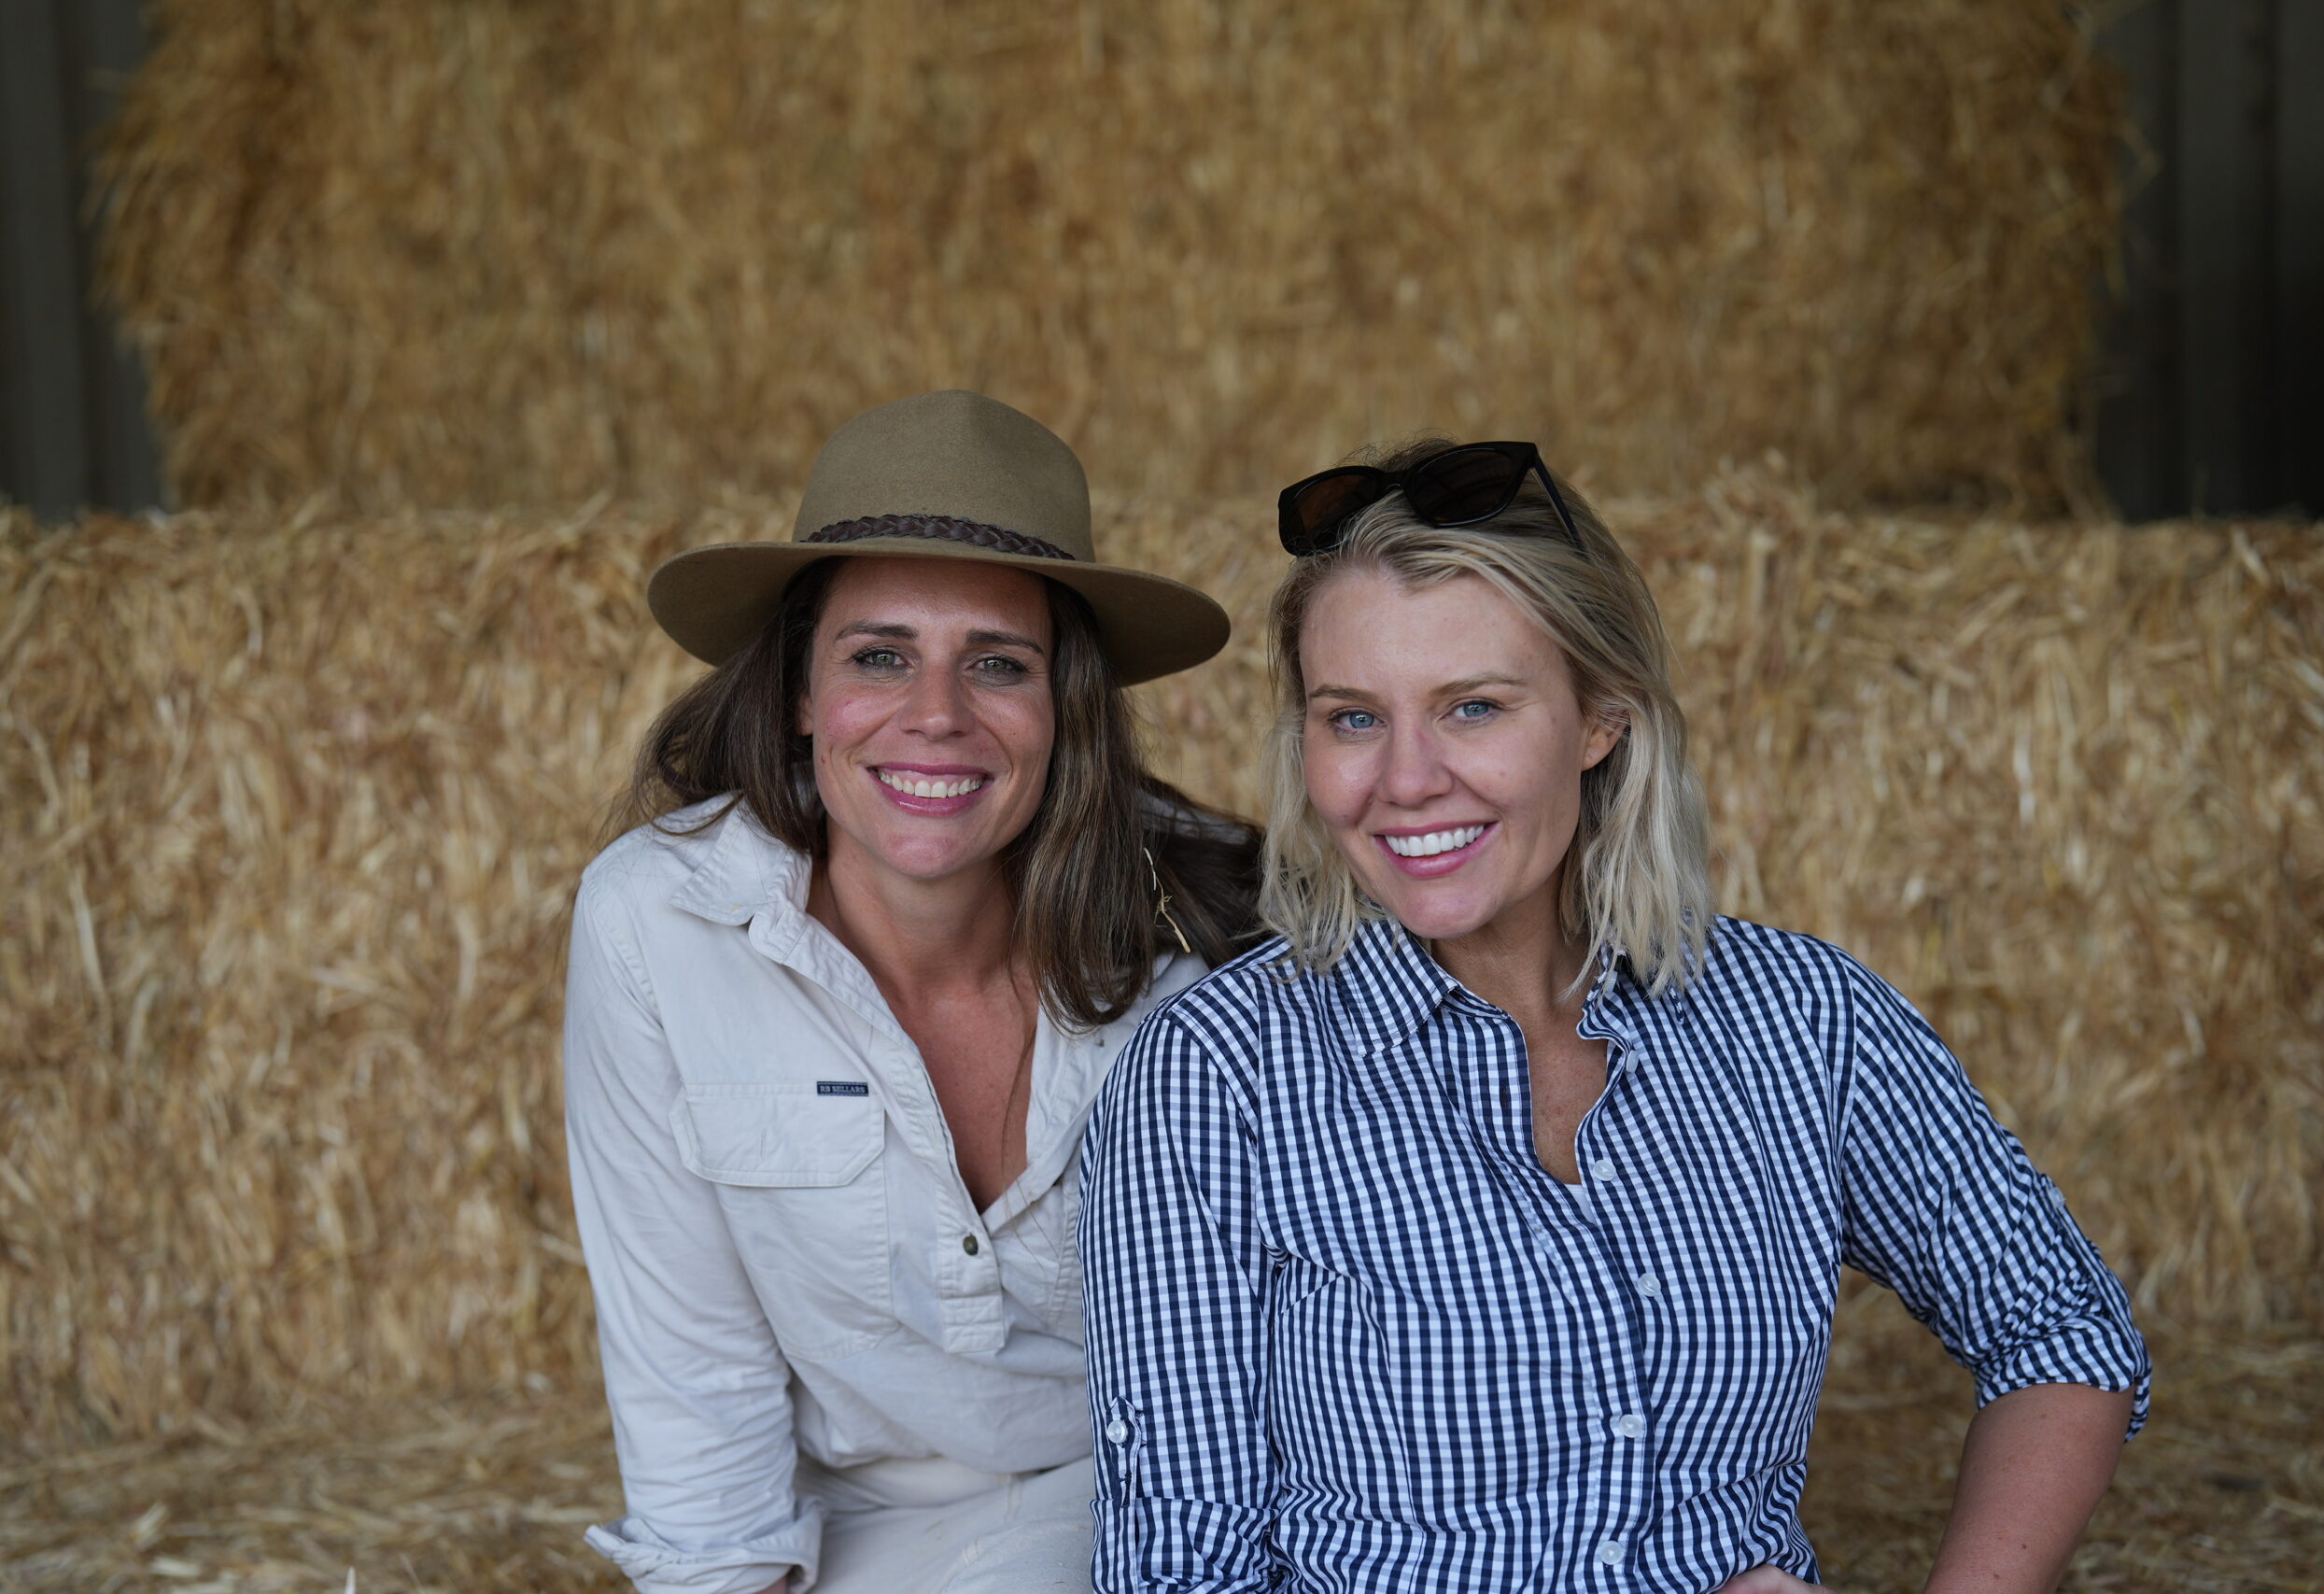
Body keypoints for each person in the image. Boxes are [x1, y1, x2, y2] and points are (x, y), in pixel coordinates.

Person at [1077, 439, 2150, 1594]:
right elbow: (1184, 1569)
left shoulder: (1800, 1020)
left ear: (1601, 719)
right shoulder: (1218, 1074)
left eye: (1473, 707)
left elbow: (2060, 1332)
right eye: (1351, 719)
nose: (1405, 778)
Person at [564, 389, 1259, 1594]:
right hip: (845, 1533)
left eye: (997, 665)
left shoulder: (1202, 941)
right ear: (795, 691)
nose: (935, 716)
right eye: (879, 656)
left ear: (1065, 709)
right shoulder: (659, 922)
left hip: (1149, 1503)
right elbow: (692, 1370)